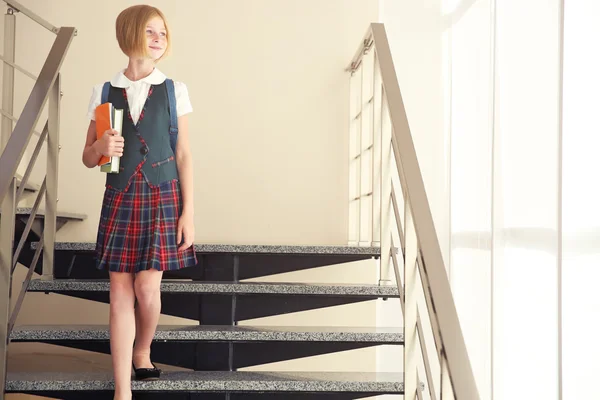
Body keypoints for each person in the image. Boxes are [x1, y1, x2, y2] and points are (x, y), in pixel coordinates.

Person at [81, 5, 197, 400]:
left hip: (162, 195)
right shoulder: (104, 90)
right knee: (120, 294)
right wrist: (100, 145)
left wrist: (189, 212)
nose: (159, 38)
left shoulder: (172, 89)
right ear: (129, 34)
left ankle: (142, 349)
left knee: (147, 290)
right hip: (120, 195)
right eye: (150, 31)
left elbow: (183, 154)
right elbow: (88, 156)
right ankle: (122, 390)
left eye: (163, 32)